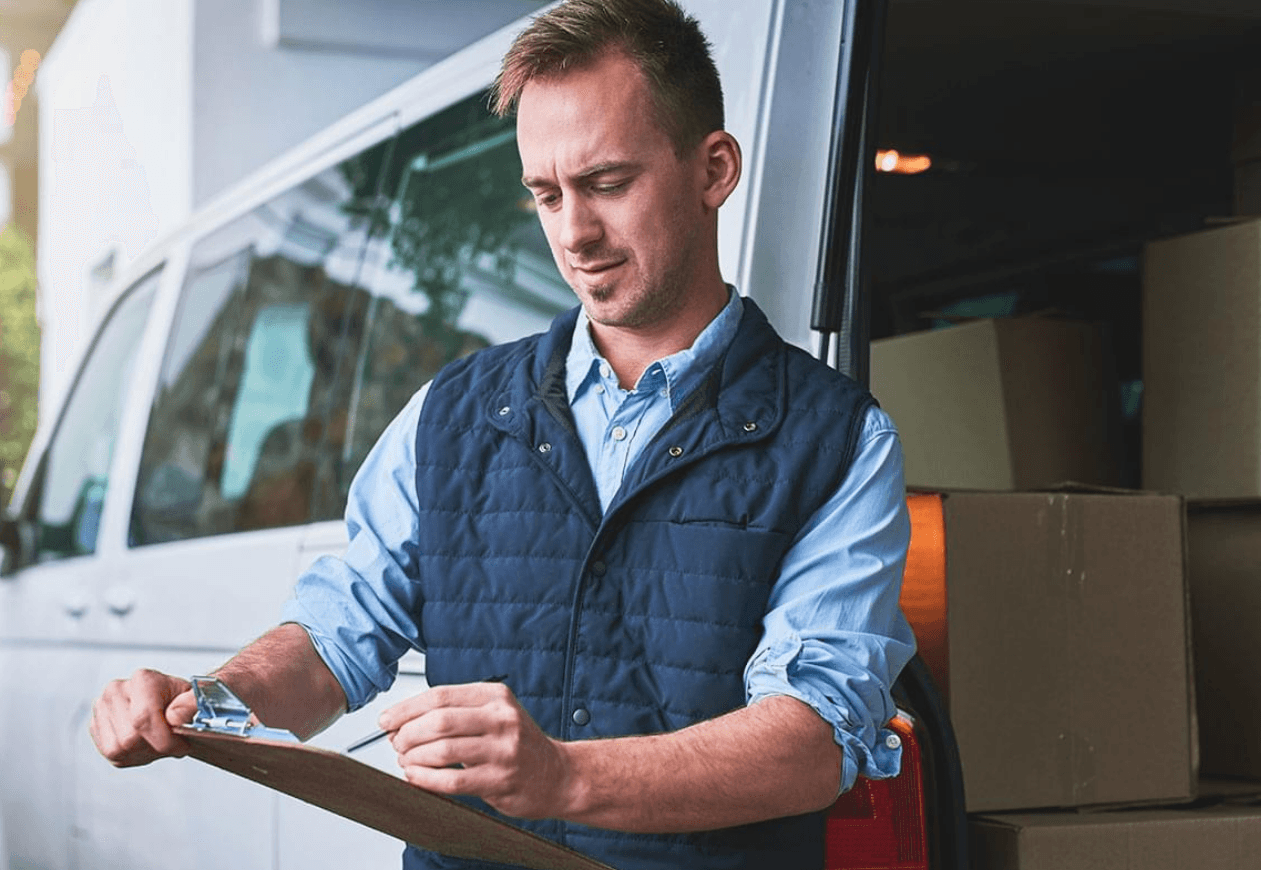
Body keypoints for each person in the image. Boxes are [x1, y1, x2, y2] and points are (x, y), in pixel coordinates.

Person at [89, 1, 916, 868]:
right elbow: (337, 637)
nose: (574, 233)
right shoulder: (451, 411)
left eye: (606, 183)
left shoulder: (840, 440)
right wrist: (206, 700)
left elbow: (811, 742)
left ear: (713, 169)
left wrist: (560, 777)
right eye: (545, 195)